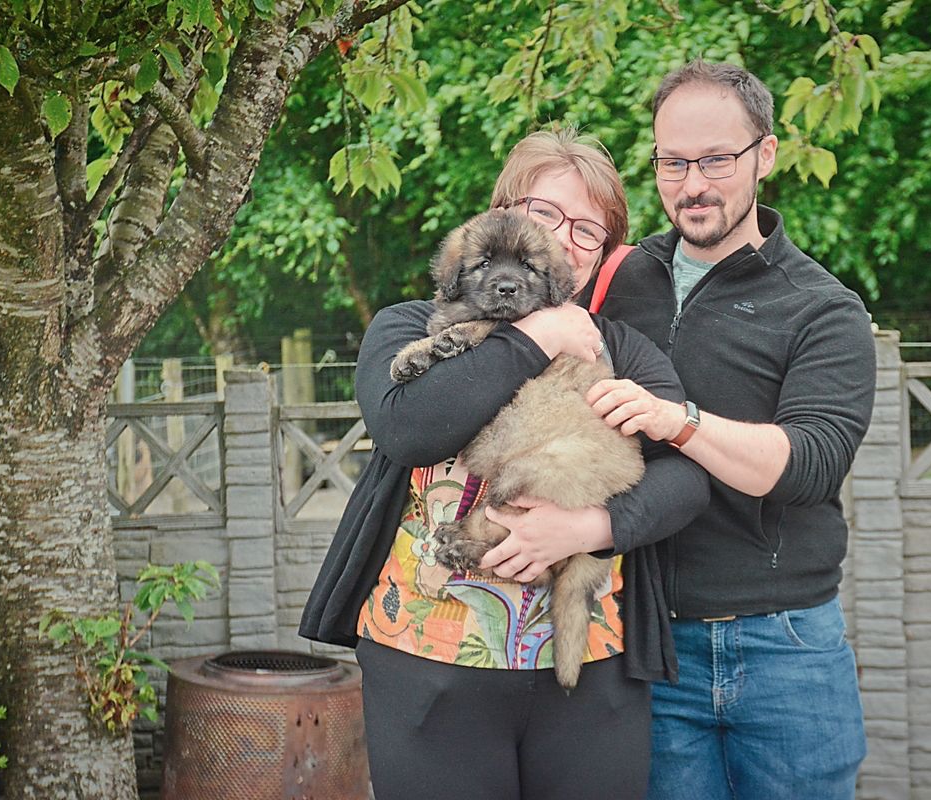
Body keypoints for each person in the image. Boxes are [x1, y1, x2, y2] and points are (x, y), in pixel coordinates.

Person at [492, 60, 877, 798]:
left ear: (765, 155)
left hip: (783, 645)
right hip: (645, 639)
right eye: (673, 162)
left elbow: (811, 464)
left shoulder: (823, 308)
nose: (692, 183)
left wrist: (681, 421)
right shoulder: (618, 277)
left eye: (715, 160)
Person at [299, 128, 709, 800]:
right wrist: (534, 337)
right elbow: (408, 429)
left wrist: (589, 529)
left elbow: (686, 477)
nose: (565, 238)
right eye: (546, 214)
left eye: (588, 229)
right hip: (425, 662)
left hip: (589, 671)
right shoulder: (409, 325)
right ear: (501, 216)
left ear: (601, 254)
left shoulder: (622, 351)